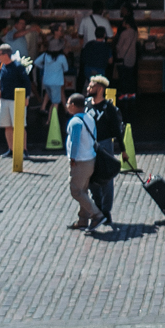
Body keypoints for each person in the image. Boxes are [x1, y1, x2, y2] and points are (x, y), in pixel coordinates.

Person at [86, 76, 124, 221]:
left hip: (105, 144)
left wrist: (123, 150)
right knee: (91, 176)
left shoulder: (108, 107)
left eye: (92, 86)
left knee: (106, 177)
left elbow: (116, 129)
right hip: (89, 144)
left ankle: (106, 210)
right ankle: (97, 206)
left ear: (100, 89)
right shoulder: (86, 104)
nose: (88, 88)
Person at [63, 93, 104, 229]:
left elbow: (75, 142)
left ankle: (97, 215)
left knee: (75, 190)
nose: (67, 106)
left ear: (73, 106)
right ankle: (83, 219)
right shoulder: (89, 118)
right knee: (83, 190)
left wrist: (72, 158)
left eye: (68, 103)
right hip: (90, 158)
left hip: (80, 161)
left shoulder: (75, 122)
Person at [0, 44, 32, 158]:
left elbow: (27, 83)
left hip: (16, 100)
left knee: (19, 126)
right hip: (4, 99)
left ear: (5, 55)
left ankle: (23, 149)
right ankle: (11, 149)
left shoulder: (18, 67)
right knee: (7, 125)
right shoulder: (0, 65)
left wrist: (26, 97)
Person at [35, 44, 69, 120]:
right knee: (55, 103)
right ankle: (52, 121)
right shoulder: (61, 57)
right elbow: (66, 69)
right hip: (56, 83)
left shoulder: (45, 55)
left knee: (53, 101)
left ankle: (49, 120)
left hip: (47, 81)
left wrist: (44, 67)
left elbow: (36, 62)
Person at [115, 18, 140, 95]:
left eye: (124, 22)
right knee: (130, 77)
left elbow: (119, 46)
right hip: (132, 57)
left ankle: (123, 94)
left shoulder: (124, 33)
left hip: (123, 58)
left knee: (123, 77)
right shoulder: (135, 33)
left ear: (127, 23)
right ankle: (131, 94)